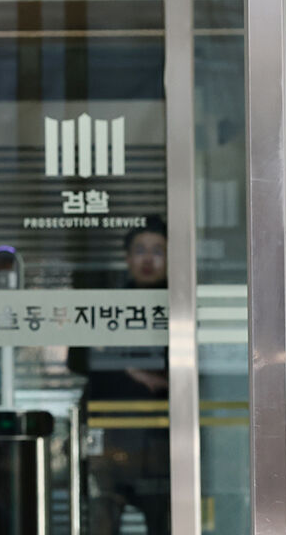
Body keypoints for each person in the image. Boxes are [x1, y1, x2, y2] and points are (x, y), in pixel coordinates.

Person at [67, 216, 170, 535]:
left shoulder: (181, 306)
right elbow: (78, 360)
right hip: (111, 439)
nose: (148, 259)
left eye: (158, 250)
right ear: (127, 259)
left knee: (166, 522)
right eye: (140, 250)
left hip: (162, 443)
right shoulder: (111, 306)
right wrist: (129, 367)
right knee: (103, 523)